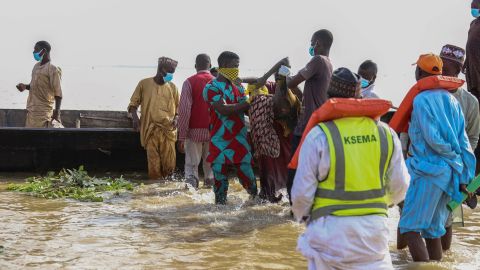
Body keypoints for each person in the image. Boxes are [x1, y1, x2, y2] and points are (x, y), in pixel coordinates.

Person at [292, 67, 410, 269]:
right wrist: (380, 205)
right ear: (361, 97)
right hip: (374, 234)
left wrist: (302, 215)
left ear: (328, 97)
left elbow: (302, 195)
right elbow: (400, 188)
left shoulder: (319, 135)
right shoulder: (386, 133)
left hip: (330, 234)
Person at [398, 54, 476, 262]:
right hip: (450, 174)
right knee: (433, 231)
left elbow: (433, 138)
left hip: (428, 172)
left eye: (417, 70)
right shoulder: (452, 100)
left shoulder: (421, 99)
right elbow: (465, 142)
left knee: (410, 229)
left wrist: (450, 158)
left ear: (421, 73)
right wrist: (462, 172)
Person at [242, 58, 301, 202]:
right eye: (278, 72)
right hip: (269, 137)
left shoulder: (292, 88)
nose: (279, 75)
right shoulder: (268, 86)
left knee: (288, 168)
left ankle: (288, 196)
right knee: (268, 169)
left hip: (286, 135)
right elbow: (256, 82)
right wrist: (244, 79)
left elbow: (299, 104)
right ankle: (268, 196)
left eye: (283, 72)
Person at [202, 51, 257, 204]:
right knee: (220, 181)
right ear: (225, 66)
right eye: (235, 66)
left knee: (248, 176)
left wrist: (257, 97)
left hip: (239, 138)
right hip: (219, 140)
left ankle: (254, 203)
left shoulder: (238, 87)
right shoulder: (211, 87)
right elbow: (224, 109)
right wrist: (248, 101)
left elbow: (245, 108)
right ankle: (220, 212)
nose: (237, 69)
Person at [286, 29, 334, 205]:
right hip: (318, 126)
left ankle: (294, 211)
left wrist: (282, 76)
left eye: (312, 42)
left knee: (294, 171)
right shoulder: (328, 63)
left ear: (318, 44)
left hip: (307, 127)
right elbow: (304, 91)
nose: (311, 46)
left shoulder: (318, 60)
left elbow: (292, 82)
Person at [440, 44, 480, 250]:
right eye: (441, 67)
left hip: (456, 169)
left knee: (451, 222)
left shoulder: (470, 102)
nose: (444, 72)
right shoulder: (426, 96)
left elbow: (472, 138)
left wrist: (464, 169)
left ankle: (446, 259)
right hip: (428, 168)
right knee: (413, 222)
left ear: (459, 70)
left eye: (449, 68)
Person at [128, 57, 180, 180]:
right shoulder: (144, 84)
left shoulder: (173, 87)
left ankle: (166, 190)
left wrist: (177, 118)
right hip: (150, 129)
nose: (172, 75)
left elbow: (179, 108)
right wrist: (135, 119)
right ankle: (154, 188)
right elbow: (133, 105)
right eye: (170, 71)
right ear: (162, 70)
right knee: (153, 165)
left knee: (169, 166)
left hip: (168, 130)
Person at [178, 54, 215, 189]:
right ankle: (210, 193)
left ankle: (190, 194)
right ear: (210, 66)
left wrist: (181, 137)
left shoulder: (189, 82)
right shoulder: (216, 82)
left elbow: (184, 111)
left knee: (191, 166)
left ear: (195, 66)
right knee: (210, 169)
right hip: (213, 133)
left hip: (194, 132)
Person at [16, 41, 62, 128]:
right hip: (31, 112)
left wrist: (57, 114)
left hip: (44, 114)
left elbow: (58, 94)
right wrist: (25, 87)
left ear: (43, 51)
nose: (33, 52)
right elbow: (33, 86)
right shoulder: (36, 67)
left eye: (36, 50)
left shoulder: (52, 69)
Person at [465, 0, 480, 100]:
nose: (473, 9)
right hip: (472, 65)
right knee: (474, 93)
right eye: (472, 7)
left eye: (475, 6)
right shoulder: (473, 23)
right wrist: (466, 62)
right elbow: (469, 45)